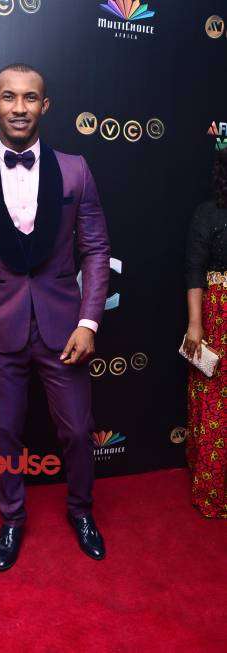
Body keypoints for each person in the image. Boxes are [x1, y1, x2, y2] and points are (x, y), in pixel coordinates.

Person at [0, 63, 111, 569]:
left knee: (77, 431)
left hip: (65, 329)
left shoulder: (75, 170)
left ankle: (81, 511)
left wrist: (89, 322)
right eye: (9, 97)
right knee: (4, 436)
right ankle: (12, 518)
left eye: (30, 97)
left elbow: (96, 250)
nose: (19, 107)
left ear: (44, 105)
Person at [183, 147, 227, 519]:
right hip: (219, 315)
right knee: (217, 400)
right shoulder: (208, 213)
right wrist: (195, 324)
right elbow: (195, 271)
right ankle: (214, 489)